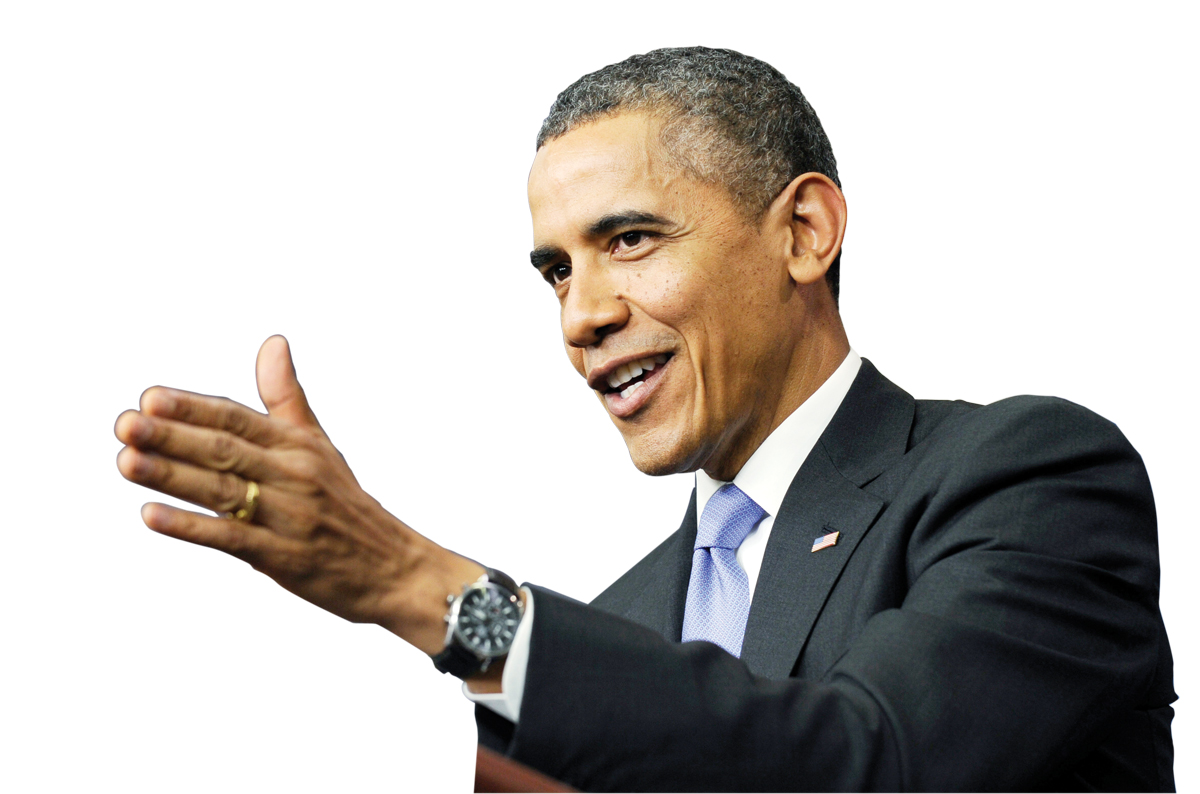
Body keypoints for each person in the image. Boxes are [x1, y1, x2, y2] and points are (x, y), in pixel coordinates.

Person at [114, 47, 1175, 791]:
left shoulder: (1031, 477)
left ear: (804, 230)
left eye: (629, 239)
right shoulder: (603, 631)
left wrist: (413, 581)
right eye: (554, 271)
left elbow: (869, 761)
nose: (582, 315)